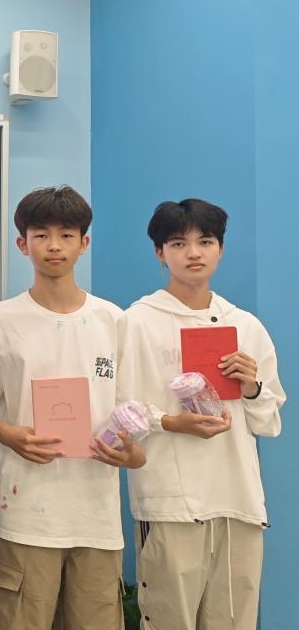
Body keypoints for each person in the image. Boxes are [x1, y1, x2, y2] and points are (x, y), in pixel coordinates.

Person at [0, 185, 144, 630]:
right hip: (24, 510)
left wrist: (132, 453)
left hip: (95, 514)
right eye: (41, 235)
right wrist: (7, 433)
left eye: (66, 235)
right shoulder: (0, 320)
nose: (54, 246)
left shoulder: (112, 319)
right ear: (21, 244)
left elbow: (129, 410)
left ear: (84, 243)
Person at [122, 199, 285, 630]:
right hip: (171, 504)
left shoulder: (245, 325)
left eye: (206, 241)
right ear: (160, 252)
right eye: (179, 243)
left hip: (238, 501)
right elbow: (121, 410)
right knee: (169, 620)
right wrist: (170, 422)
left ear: (221, 249)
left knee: (235, 620)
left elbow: (269, 421)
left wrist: (251, 388)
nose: (194, 253)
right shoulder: (137, 322)